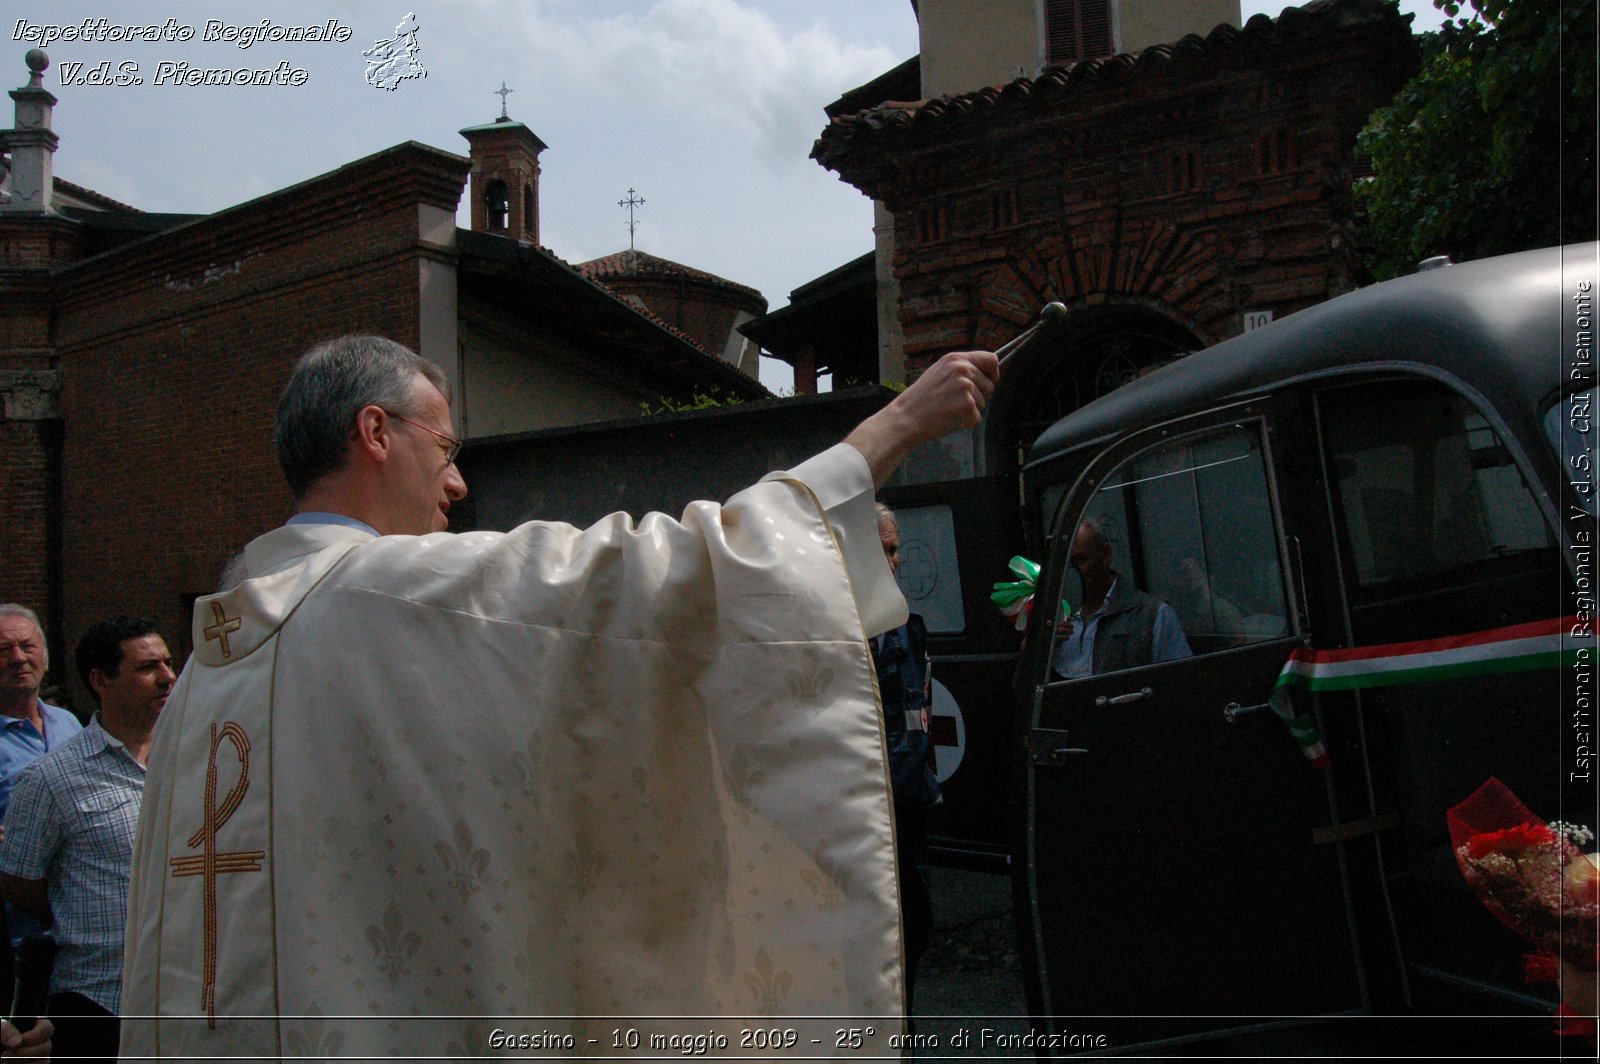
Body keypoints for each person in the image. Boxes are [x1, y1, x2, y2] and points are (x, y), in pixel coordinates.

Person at [121, 335, 998, 1056]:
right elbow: (664, 580)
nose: (458, 484)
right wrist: (891, 428)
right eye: (447, 448)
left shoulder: (210, 663)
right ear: (376, 432)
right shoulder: (388, 592)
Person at [0, 617, 174, 1064]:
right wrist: (76, 903)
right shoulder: (52, 779)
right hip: (99, 1001)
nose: (168, 677)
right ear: (101, 681)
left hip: (185, 998)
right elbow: (20, 882)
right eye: (147, 667)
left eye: (168, 663)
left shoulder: (194, 761)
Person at [868, 505, 939, 1006]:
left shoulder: (909, 626)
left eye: (895, 550)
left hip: (910, 805)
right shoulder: (851, 633)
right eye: (883, 551)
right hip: (875, 816)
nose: (893, 562)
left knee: (916, 929)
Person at [0, 606, 82, 981]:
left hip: (73, 932)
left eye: (27, 647)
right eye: (4, 650)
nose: (18, 659)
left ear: (45, 659)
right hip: (14, 934)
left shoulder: (67, 723)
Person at [1052, 518, 1191, 678]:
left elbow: (1181, 683)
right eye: (1066, 566)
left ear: (1105, 555)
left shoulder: (1153, 616)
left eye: (1080, 561)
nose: (1073, 573)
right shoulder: (1054, 618)